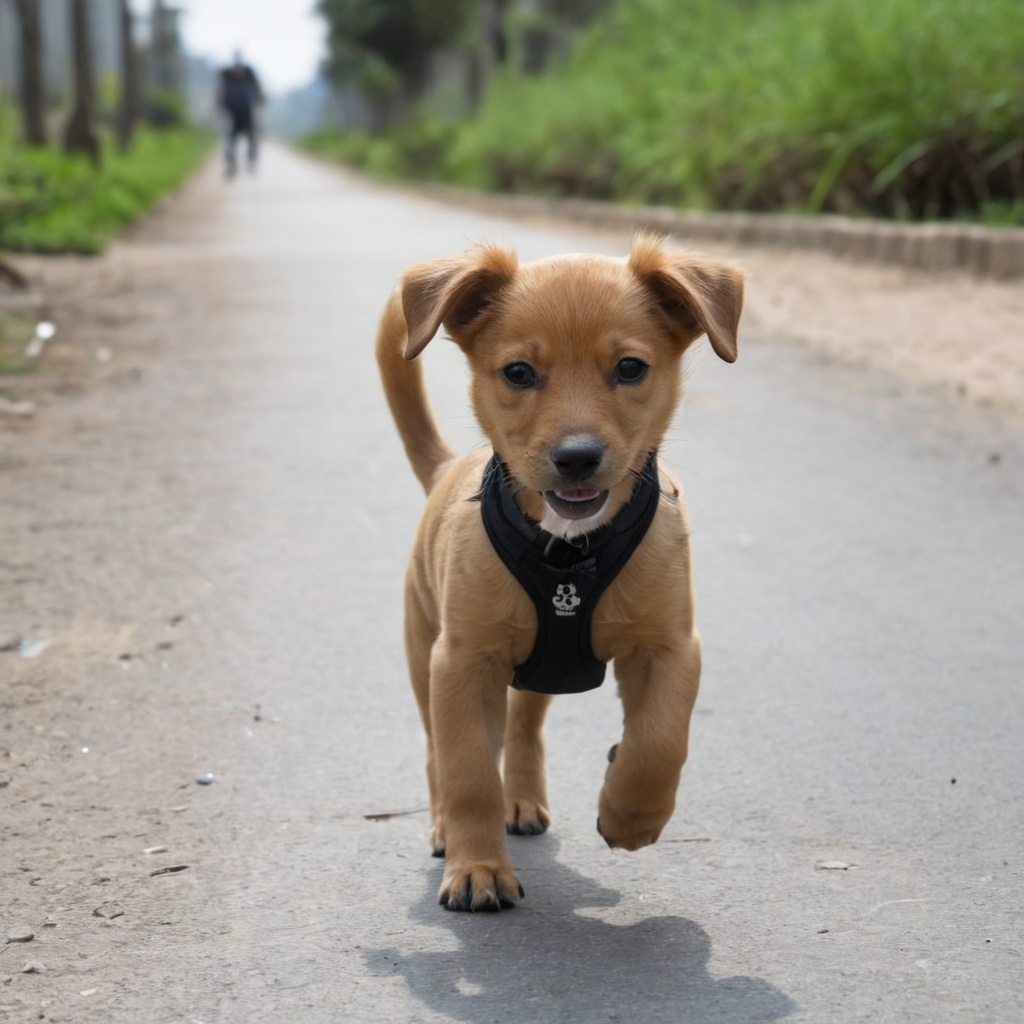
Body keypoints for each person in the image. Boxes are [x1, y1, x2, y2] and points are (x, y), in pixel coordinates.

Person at [217, 53, 263, 177]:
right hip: (236, 110)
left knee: (241, 136)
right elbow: (257, 91)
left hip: (241, 109)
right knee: (238, 137)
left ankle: (247, 160)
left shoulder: (231, 73)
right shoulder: (242, 73)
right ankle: (238, 162)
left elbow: (221, 91)